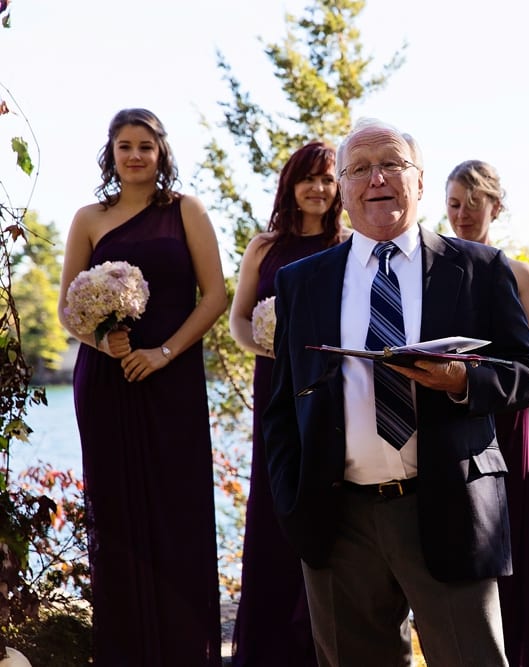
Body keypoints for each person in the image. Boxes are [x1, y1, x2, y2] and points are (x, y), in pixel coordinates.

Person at [262, 118, 529, 667]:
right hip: (336, 519)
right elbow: (281, 407)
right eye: (361, 169)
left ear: (419, 183)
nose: (377, 179)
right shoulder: (302, 281)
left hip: (448, 507)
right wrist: (292, 499)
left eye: (392, 164)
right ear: (343, 188)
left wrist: (464, 381)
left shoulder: (477, 269)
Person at [58, 108, 227, 666]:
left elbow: (216, 296)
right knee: (118, 514)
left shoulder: (187, 211)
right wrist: (104, 340)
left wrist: (163, 353)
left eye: (145, 146)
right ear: (111, 154)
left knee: (176, 512)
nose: (135, 155)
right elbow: (67, 310)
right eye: (124, 146)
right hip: (108, 383)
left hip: (171, 381)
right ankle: (127, 650)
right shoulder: (88, 218)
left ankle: (182, 650)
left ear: (161, 153)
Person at [229, 141, 345, 666]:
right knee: (276, 494)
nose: (318, 189)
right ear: (290, 184)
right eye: (309, 179)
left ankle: (325, 637)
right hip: (275, 382)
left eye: (327, 179)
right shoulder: (264, 246)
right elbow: (238, 320)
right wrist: (270, 346)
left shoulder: (350, 242)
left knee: (330, 491)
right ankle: (269, 642)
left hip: (332, 385)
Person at [445, 159, 529, 667]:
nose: (463, 214)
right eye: (453, 204)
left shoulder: (517, 273)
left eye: (474, 202)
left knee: (519, 542)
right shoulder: (437, 270)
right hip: (456, 419)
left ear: (496, 206)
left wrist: (486, 376)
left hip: (509, 421)